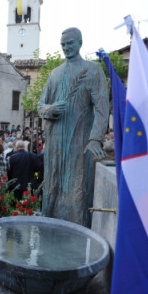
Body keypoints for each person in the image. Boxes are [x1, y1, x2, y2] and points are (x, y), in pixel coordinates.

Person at [38, 27, 109, 227]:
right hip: (54, 143)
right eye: (63, 45)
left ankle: (76, 233)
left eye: (70, 43)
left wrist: (95, 138)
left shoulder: (93, 70)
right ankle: (50, 229)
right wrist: (50, 109)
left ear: (79, 43)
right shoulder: (54, 74)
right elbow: (40, 106)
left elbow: (103, 108)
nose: (66, 47)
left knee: (76, 191)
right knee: (53, 187)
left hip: (79, 141)